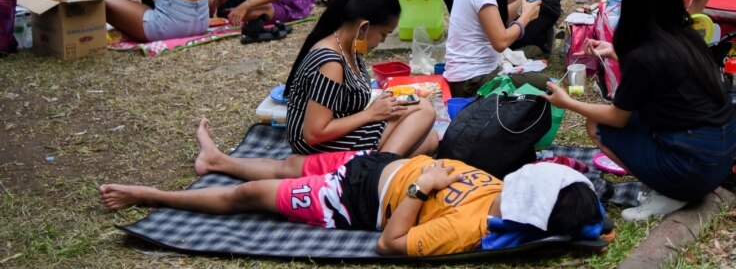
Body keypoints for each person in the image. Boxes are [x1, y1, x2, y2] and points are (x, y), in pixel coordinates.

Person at [99, 120, 603, 256]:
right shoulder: (507, 189)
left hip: (353, 201)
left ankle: (151, 196)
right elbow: (581, 221)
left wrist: (421, 189)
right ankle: (219, 159)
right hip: (376, 165)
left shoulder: (469, 230)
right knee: (287, 165)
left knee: (246, 199)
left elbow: (390, 244)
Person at [544, 0, 736, 221]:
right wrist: (614, 51)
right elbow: (659, 71)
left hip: (693, 171)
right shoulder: (689, 37)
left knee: (599, 125)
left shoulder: (644, 57)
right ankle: (670, 182)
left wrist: (567, 102)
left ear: (632, 7)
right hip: (721, 158)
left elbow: (617, 118)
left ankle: (666, 192)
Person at [284, 0, 438, 155]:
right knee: (423, 110)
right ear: (364, 27)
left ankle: (379, 160)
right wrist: (371, 114)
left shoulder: (352, 47)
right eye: (384, 34)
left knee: (429, 137)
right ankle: (376, 167)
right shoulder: (331, 63)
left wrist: (380, 108)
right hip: (314, 145)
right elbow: (314, 133)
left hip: (337, 130)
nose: (383, 41)